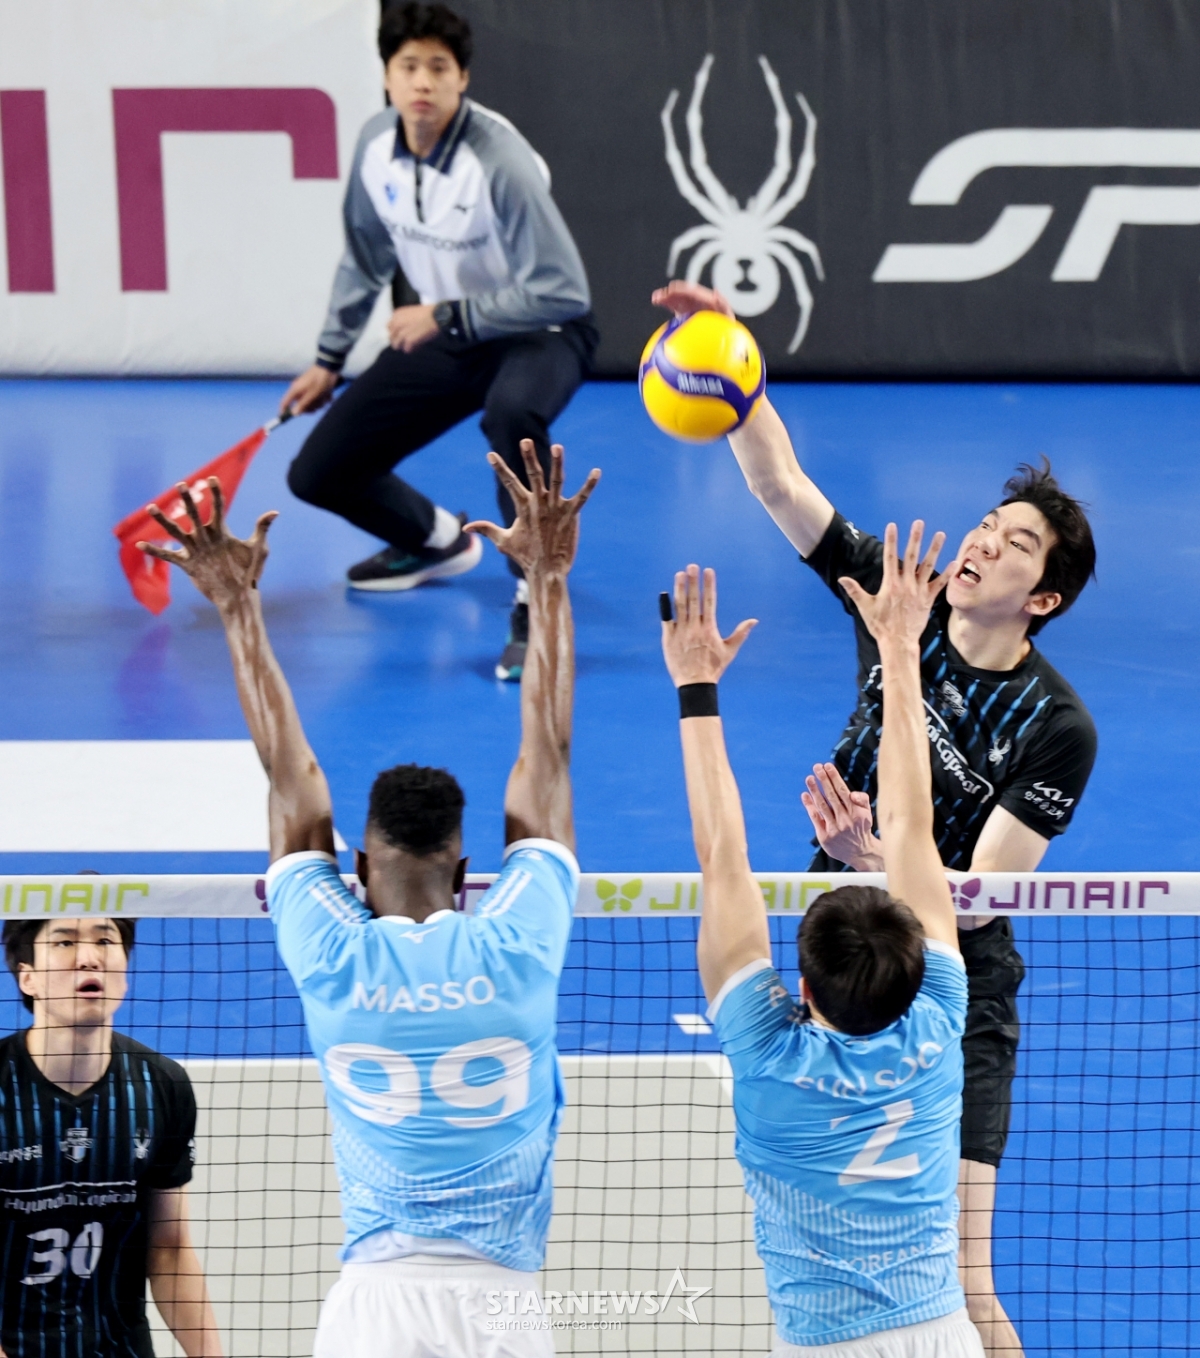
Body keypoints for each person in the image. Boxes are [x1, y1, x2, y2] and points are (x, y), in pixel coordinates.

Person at [653, 281, 1098, 1357]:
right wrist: (735, 369)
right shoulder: (902, 598)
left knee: (964, 1282)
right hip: (848, 940)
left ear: (1043, 598)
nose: (984, 543)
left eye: (1017, 545)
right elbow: (780, 482)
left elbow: (981, 898)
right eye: (988, 525)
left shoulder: (1056, 727)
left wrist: (872, 855)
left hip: (953, 987)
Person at [139, 437, 599, 1357]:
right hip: (506, 1310)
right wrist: (546, 580)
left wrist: (238, 608)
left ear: (354, 871)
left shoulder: (331, 951)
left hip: (372, 1311)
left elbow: (290, 777)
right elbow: (546, 753)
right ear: (468, 874)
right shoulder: (518, 941)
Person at [661, 531, 984, 1357]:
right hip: (944, 1335)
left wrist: (697, 687)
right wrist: (901, 647)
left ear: (802, 990)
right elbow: (910, 824)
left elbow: (722, 855)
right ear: (915, 970)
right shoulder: (941, 1015)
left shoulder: (771, 1052)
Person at [281, 1, 597, 682]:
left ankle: (539, 593)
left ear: (463, 79)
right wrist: (329, 358)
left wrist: (447, 314)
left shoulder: (499, 162)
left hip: (539, 333)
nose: (422, 81)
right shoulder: (376, 148)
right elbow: (365, 258)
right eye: (408, 67)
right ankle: (437, 542)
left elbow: (564, 290)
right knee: (318, 472)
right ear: (387, 77)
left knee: (511, 415)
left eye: (439, 67)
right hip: (452, 334)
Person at [0, 916, 220, 1358]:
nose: (89, 957)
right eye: (64, 943)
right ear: (28, 978)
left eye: (105, 940)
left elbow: (170, 1249)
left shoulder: (162, 1085)